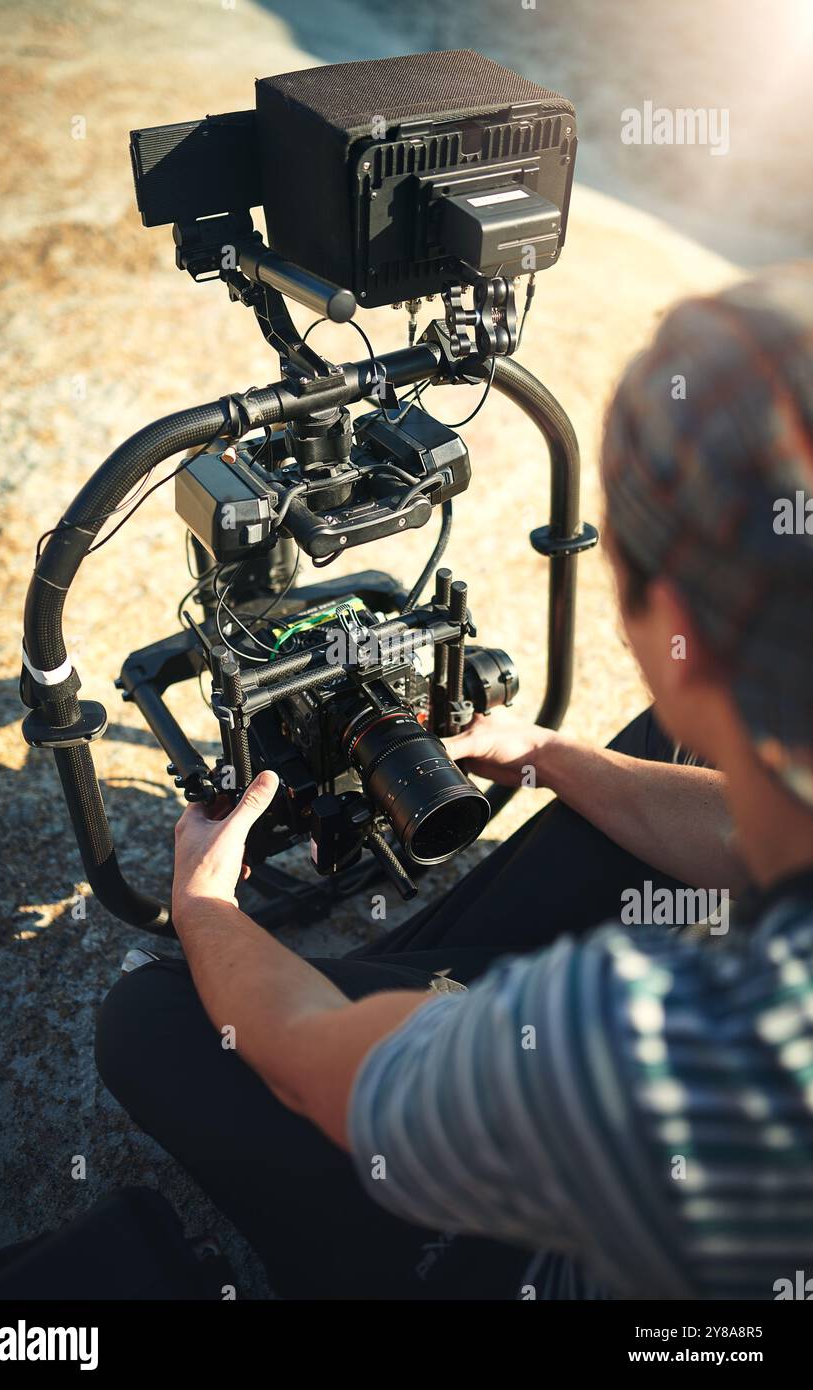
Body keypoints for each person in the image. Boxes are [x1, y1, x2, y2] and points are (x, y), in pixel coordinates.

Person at [96, 266, 813, 1300]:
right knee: (670, 745)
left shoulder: (632, 1043)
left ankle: (406, 1102)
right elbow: (762, 828)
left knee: (152, 1017)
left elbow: (306, 1061)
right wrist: (541, 752)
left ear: (669, 625)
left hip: (542, 1253)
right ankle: (416, 980)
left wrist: (205, 905)